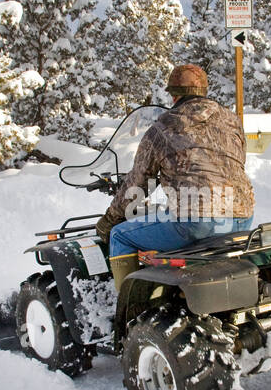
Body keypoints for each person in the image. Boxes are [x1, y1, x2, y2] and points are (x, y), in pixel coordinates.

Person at [96, 64, 255, 290]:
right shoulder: (231, 120)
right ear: (204, 91)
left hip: (197, 221)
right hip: (241, 218)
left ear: (174, 95)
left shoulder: (164, 126)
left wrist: (110, 220)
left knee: (120, 236)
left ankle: (125, 312)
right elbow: (236, 162)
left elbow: (138, 183)